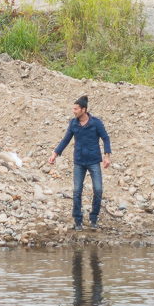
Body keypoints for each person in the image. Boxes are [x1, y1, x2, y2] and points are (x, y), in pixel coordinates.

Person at [48, 96, 111, 231]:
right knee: (77, 191)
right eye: (73, 109)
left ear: (84, 109)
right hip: (79, 162)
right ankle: (78, 220)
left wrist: (107, 156)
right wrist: (54, 154)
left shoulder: (96, 123)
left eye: (76, 109)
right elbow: (65, 140)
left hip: (94, 161)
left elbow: (105, 138)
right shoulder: (73, 124)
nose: (74, 111)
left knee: (98, 189)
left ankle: (93, 218)